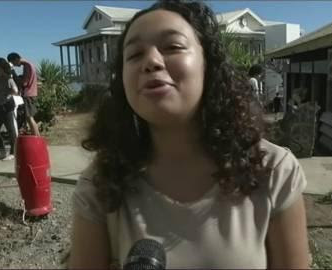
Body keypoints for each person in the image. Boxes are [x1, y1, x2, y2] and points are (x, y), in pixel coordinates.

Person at [70, 1, 310, 268]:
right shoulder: (100, 185)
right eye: (135, 54)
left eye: (172, 46)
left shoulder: (274, 172)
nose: (150, 61)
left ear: (208, 66)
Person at [7, 52, 40, 136]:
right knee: (30, 118)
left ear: (16, 59)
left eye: (13, 63)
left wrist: (14, 74)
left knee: (30, 118)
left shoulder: (27, 66)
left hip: (28, 94)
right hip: (31, 94)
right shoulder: (29, 65)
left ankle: (37, 139)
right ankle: (37, 138)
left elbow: (24, 83)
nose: (14, 65)